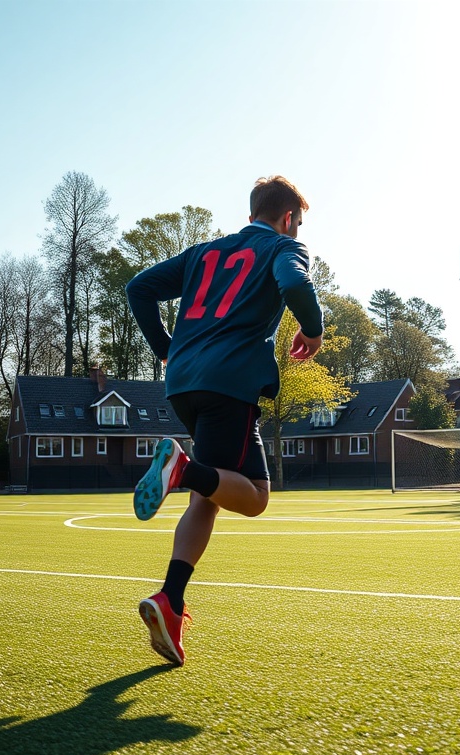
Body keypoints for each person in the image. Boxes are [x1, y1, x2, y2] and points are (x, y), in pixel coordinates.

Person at [125, 175, 323, 666]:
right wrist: (312, 330)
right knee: (255, 496)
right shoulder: (282, 247)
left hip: (185, 384)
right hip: (229, 384)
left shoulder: (204, 253)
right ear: (289, 218)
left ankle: (170, 601)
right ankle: (182, 468)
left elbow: (139, 289)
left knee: (210, 496)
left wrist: (168, 350)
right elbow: (296, 283)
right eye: (297, 225)